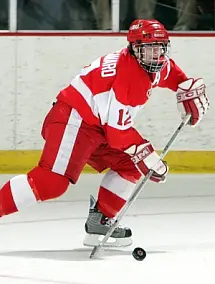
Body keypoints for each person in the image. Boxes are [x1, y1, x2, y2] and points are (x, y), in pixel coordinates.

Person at [0, 19, 209, 248]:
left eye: (159, 48)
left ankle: (100, 221)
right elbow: (118, 134)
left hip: (97, 126)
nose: (154, 54)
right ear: (133, 48)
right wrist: (147, 155)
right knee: (52, 182)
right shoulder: (129, 77)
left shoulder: (156, 64)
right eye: (147, 49)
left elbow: (172, 75)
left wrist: (185, 85)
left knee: (130, 165)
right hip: (74, 119)